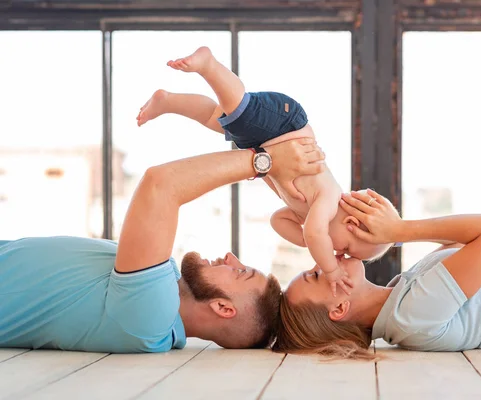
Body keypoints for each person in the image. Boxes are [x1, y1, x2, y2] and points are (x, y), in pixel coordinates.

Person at [0, 138, 325, 353]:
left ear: (223, 308)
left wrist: (264, 162)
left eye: (240, 271)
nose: (230, 256)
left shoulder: (150, 316)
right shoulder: (163, 284)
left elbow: (161, 185)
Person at [136, 46, 393, 297]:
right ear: (350, 223)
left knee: (217, 118)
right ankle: (209, 66)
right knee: (240, 113)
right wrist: (332, 269)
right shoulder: (328, 199)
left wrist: (306, 239)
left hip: (271, 139)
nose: (339, 254)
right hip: (285, 124)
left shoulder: (311, 215)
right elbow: (316, 234)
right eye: (346, 248)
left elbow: (277, 221)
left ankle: (168, 101)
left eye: (343, 255)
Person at [273, 189, 481, 360]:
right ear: (340, 309)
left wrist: (393, 236)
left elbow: (459, 244)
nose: (321, 261)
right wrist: (398, 229)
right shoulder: (412, 315)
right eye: (316, 276)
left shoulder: (399, 295)